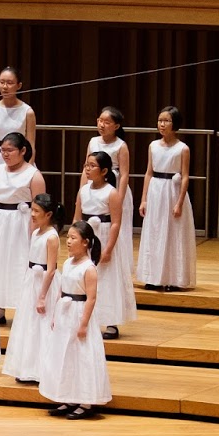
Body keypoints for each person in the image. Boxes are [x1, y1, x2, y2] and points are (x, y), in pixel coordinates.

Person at [40, 220, 113, 420]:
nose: (69, 242)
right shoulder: (67, 263)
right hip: (65, 314)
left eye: (73, 238)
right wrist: (55, 314)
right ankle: (69, 396)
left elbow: (91, 298)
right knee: (66, 356)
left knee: (82, 356)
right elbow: (61, 291)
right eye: (68, 237)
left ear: (86, 243)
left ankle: (86, 401)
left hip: (79, 314)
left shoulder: (89, 268)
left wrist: (83, 324)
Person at [84, 108, 138, 336]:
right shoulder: (93, 141)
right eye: (99, 120)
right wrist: (83, 191)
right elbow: (84, 168)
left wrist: (120, 194)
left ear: (116, 125)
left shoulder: (120, 145)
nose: (101, 124)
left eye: (106, 121)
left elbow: (124, 173)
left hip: (114, 191)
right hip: (93, 191)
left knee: (116, 239)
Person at [1, 193, 63, 385]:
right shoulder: (36, 233)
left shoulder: (52, 237)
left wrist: (42, 296)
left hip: (44, 284)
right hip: (32, 281)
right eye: (32, 210)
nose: (32, 214)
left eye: (37, 211)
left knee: (43, 325)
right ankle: (29, 367)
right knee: (30, 325)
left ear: (49, 214)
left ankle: (43, 369)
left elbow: (51, 269)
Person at [0, 132, 47, 317]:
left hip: (21, 224)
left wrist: (35, 232)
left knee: (19, 264)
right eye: (2, 150)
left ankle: (24, 308)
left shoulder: (33, 175)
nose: (5, 154)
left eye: (10, 150)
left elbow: (40, 207)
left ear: (22, 151)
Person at [138, 105, 198, 291]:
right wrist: (144, 199)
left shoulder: (182, 148)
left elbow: (185, 175)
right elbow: (148, 172)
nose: (162, 124)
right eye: (160, 120)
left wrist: (179, 202)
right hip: (156, 190)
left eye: (166, 121)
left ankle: (173, 278)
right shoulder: (153, 146)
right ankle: (153, 277)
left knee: (173, 234)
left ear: (175, 124)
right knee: (154, 232)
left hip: (172, 191)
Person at [76, 151, 129, 340]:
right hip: (86, 236)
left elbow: (116, 222)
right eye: (86, 165)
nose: (88, 169)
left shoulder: (111, 193)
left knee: (107, 279)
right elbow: (77, 217)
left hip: (104, 235)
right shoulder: (83, 190)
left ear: (104, 170)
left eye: (92, 166)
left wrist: (108, 248)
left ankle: (111, 321)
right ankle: (86, 318)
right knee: (86, 278)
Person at [0, 66, 36, 203]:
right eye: (2, 82)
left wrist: (26, 170)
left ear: (19, 85)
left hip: (19, 158)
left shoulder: (27, 112)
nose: (5, 87)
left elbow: (31, 145)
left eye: (10, 83)